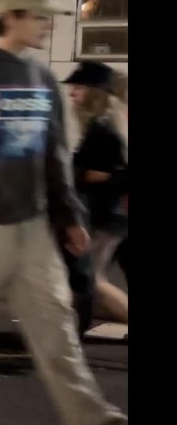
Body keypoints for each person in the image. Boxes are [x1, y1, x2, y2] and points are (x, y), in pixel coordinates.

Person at [0, 0, 127, 425]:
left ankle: (90, 418)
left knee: (55, 319)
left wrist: (68, 216)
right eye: (42, 17)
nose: (49, 26)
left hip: (33, 226)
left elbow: (55, 155)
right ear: (15, 16)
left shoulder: (41, 79)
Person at [63, 61, 128, 325]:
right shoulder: (103, 126)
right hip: (112, 214)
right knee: (88, 279)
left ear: (95, 92)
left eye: (78, 88)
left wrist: (75, 170)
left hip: (107, 217)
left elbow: (102, 175)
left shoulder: (103, 130)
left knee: (93, 280)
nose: (72, 93)